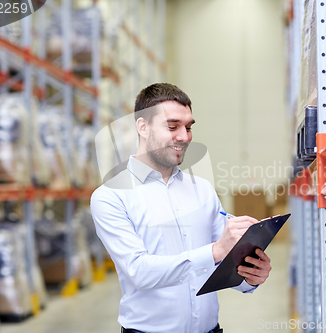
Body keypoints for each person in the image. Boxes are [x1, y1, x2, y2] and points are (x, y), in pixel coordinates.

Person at [91, 83, 272, 333]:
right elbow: (139, 272)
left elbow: (224, 262)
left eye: (188, 127)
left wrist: (250, 276)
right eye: (172, 126)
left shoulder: (203, 190)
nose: (185, 137)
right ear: (142, 127)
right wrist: (216, 250)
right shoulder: (111, 197)